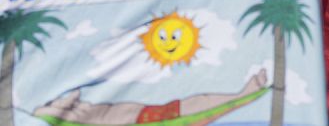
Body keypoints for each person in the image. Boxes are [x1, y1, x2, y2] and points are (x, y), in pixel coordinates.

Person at [34, 69, 269, 124]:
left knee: (195, 108)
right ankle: (244, 95)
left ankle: (243, 95)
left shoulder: (55, 111)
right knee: (195, 109)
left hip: (139, 115)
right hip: (141, 118)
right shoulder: (50, 113)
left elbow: (72, 96)